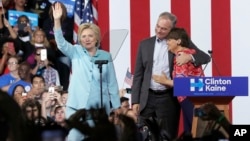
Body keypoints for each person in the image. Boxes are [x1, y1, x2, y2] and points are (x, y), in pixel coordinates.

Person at [131, 11, 211, 140]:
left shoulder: (180, 43)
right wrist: (135, 100)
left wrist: (189, 56)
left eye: (163, 28)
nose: (159, 30)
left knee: (168, 136)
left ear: (172, 29)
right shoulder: (144, 44)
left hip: (168, 98)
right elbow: (138, 74)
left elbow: (205, 57)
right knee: (144, 135)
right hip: (147, 98)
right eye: (157, 26)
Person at [52, 2, 120, 140]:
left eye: (90, 36)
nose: (87, 39)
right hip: (76, 107)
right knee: (74, 138)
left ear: (97, 38)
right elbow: (60, 43)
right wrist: (57, 20)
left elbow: (111, 83)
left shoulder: (106, 56)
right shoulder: (75, 51)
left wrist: (117, 107)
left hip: (99, 109)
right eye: (83, 36)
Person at [152, 27, 205, 133]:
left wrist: (164, 81)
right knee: (189, 130)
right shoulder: (188, 54)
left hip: (189, 98)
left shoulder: (181, 56)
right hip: (194, 96)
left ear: (178, 41)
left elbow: (182, 83)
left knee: (195, 130)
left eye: (170, 40)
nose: (167, 43)